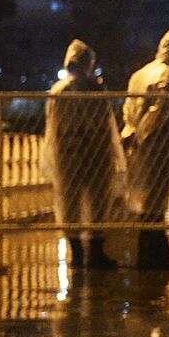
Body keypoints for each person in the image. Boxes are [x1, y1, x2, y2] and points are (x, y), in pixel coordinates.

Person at [44, 40, 122, 269]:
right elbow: (103, 124)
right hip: (94, 152)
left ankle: (78, 253)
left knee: (71, 203)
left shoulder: (60, 91)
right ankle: (93, 252)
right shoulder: (93, 89)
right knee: (97, 201)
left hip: (68, 154)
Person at [122, 28, 169, 269]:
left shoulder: (140, 74)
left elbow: (130, 108)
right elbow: (161, 112)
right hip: (159, 144)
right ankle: (153, 251)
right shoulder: (167, 77)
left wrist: (132, 131)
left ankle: (151, 248)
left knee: (148, 198)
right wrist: (148, 134)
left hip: (142, 144)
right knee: (156, 197)